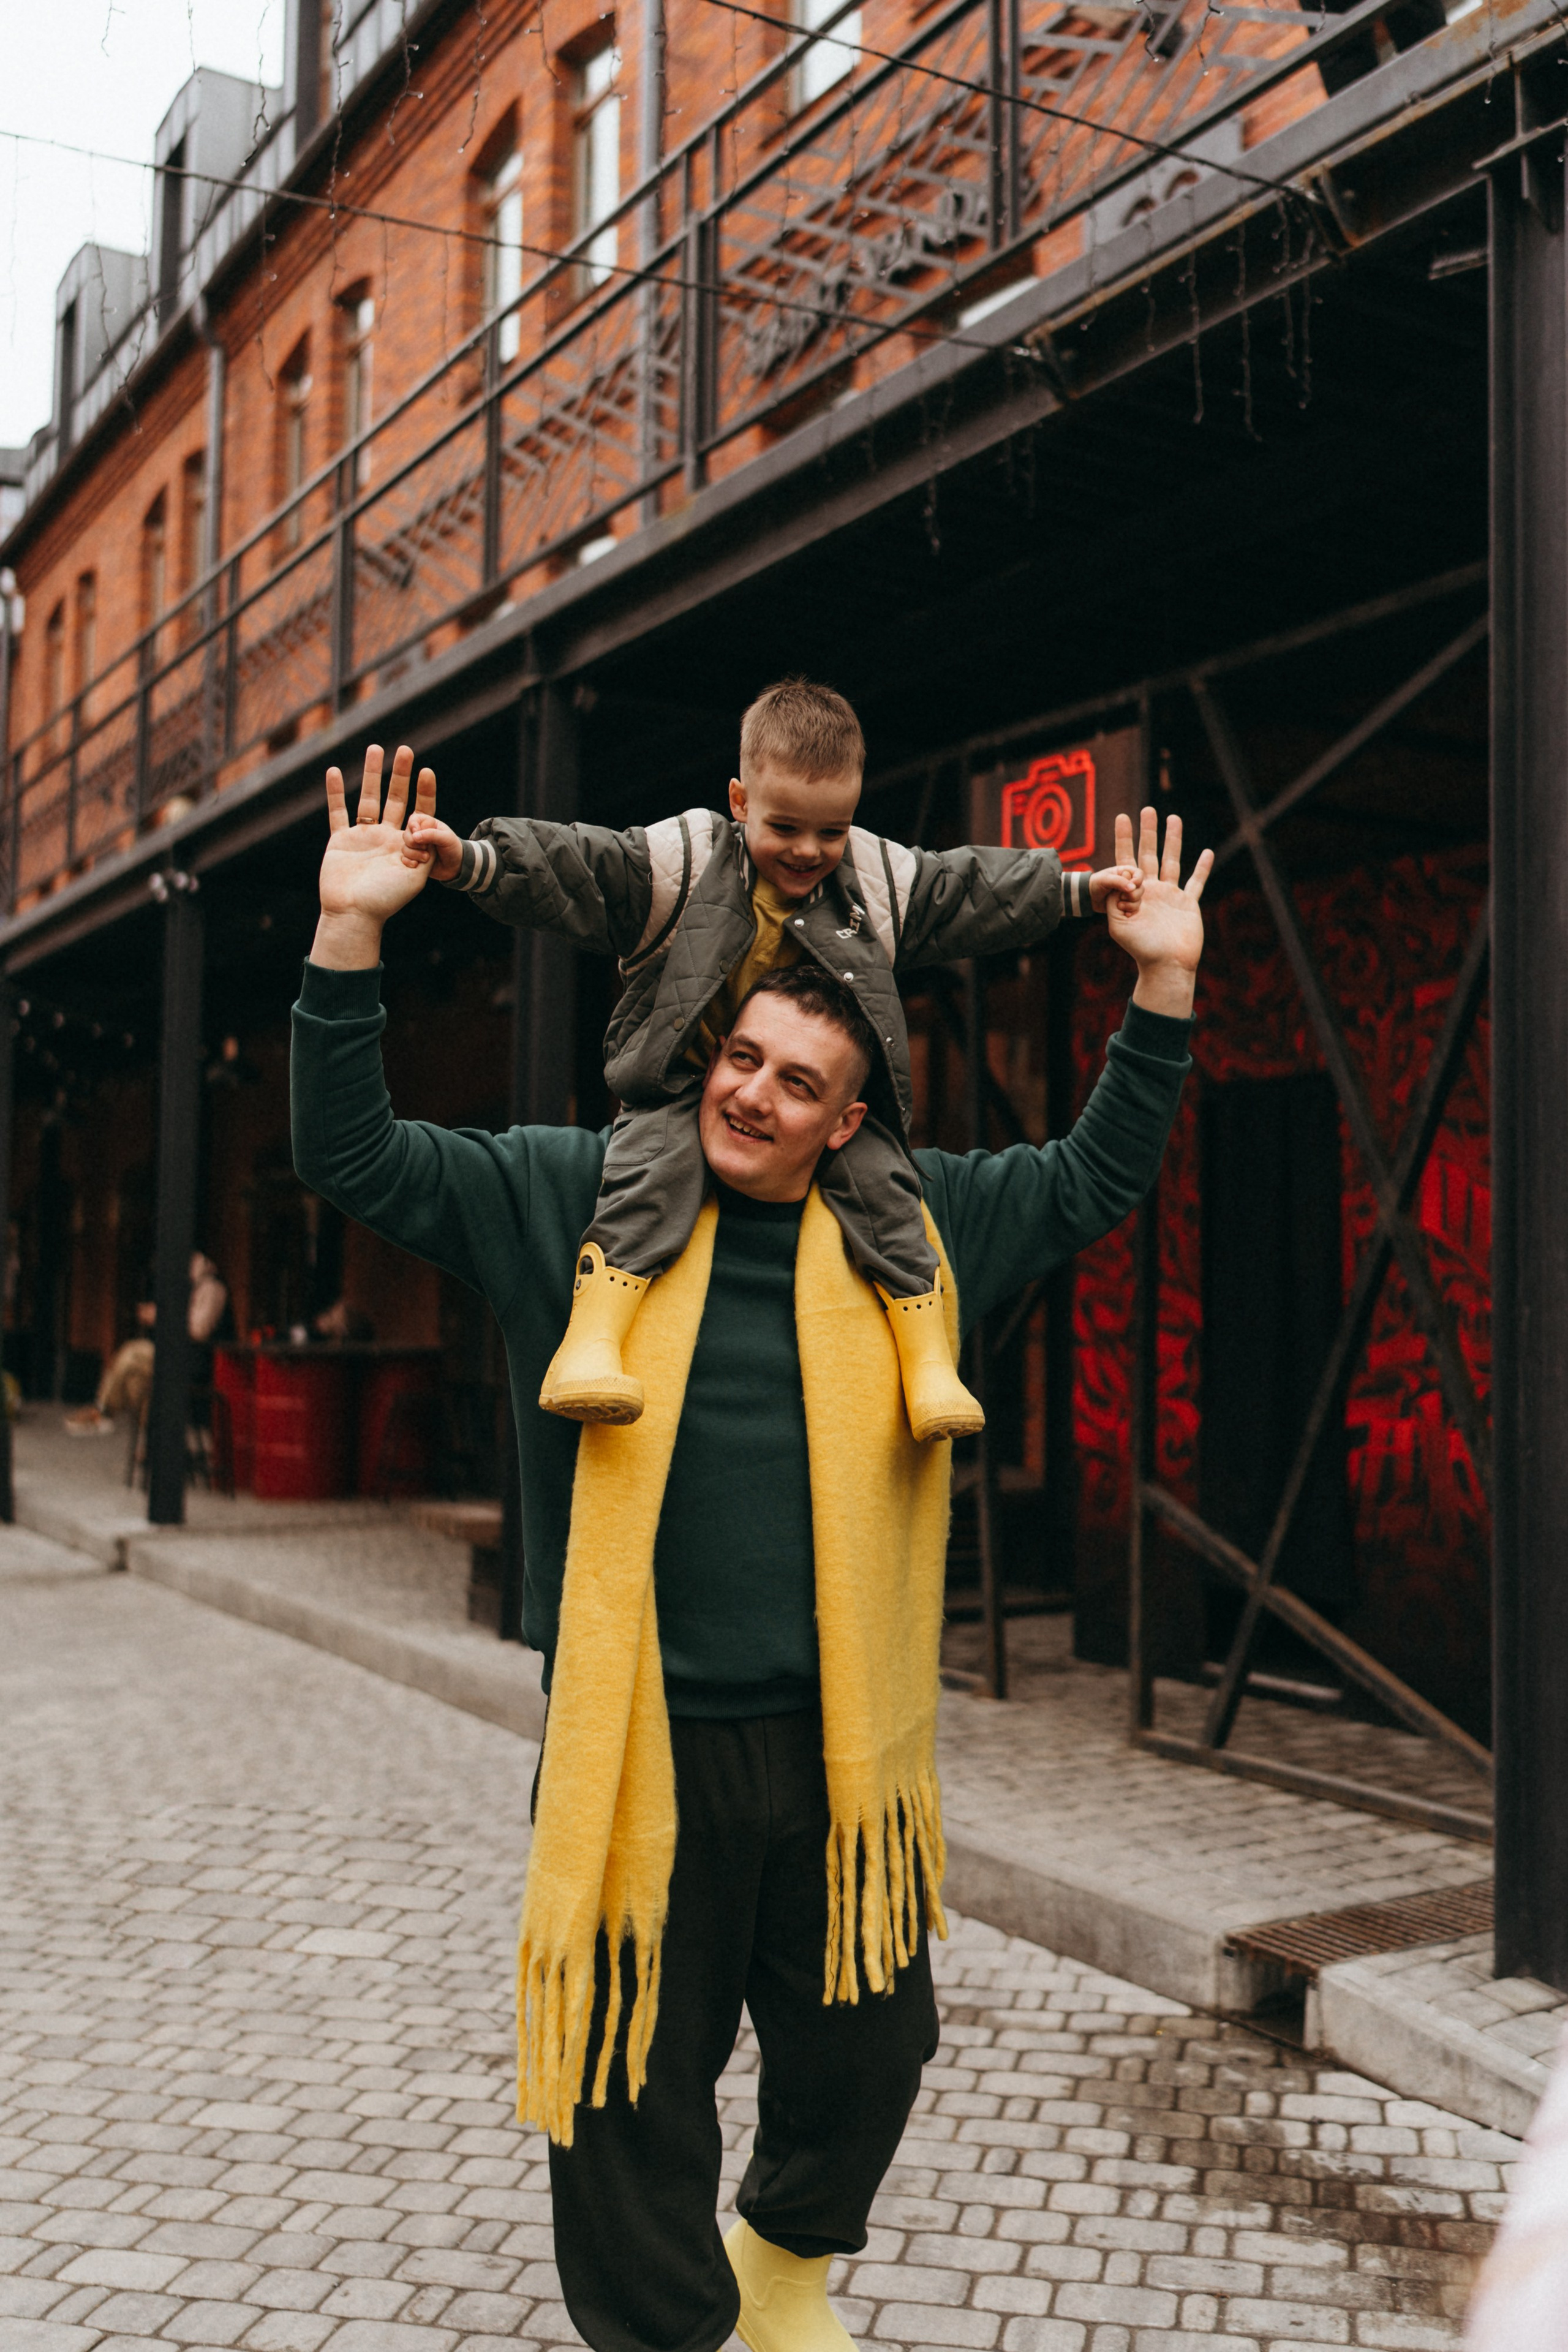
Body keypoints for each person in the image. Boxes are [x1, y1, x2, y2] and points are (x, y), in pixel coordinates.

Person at [292, 744, 1210, 2352]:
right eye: (741, 1057)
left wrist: (1165, 995)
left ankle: (786, 2274)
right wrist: (350, 934)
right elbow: (355, 1157)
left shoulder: (916, 1235)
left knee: (875, 2050)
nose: (751, 1092)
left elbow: (1092, 1180)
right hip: (639, 1748)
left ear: (851, 1118)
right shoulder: (572, 1197)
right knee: (630, 2094)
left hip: (833, 1761)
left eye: (797, 1081)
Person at [402, 680, 1143, 1444]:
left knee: (888, 1185)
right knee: (649, 1167)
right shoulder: (683, 863)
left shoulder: (876, 880)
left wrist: (1080, 892)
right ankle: (593, 1338)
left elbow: (970, 892)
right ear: (738, 800)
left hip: (819, 1101)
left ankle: (926, 1359)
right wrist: (473, 860)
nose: (807, 852)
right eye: (785, 826)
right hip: (685, 1080)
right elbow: (582, 868)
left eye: (832, 831)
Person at [65, 1251, 229, 1435]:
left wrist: (161, 1317)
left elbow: (199, 1331)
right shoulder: (190, 1288)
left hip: (196, 1362)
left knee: (133, 1353)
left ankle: (103, 1411)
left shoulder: (212, 1288)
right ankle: (152, 1440)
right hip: (176, 1356)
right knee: (138, 1383)